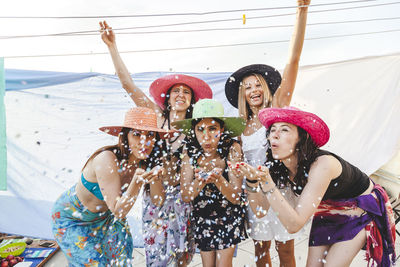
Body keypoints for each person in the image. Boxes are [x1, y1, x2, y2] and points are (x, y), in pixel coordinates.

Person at [100, 20, 213, 266]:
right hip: (156, 200)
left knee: (182, 257)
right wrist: (112, 47)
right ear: (168, 98)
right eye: (176, 91)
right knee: (159, 259)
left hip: (185, 200)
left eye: (186, 92)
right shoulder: (155, 118)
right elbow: (128, 85)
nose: (181, 95)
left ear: (191, 99)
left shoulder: (196, 128)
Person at [236, 106, 397, 267]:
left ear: (301, 138)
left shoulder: (322, 165)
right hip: (329, 207)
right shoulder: (277, 167)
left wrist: (266, 182)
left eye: (284, 130)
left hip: (360, 209)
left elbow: (294, 224)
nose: (275, 135)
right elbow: (259, 210)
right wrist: (252, 182)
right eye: (272, 130)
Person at [224, 1, 311, 266]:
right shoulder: (239, 126)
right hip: (255, 193)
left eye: (257, 84)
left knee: (285, 252)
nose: (253, 90)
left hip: (282, 188)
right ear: (243, 94)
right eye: (247, 87)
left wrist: (301, 12)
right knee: (261, 252)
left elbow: (293, 61)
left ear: (265, 87)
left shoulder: (277, 110)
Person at [51, 107, 174, 266]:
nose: (144, 141)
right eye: (136, 134)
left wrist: (156, 178)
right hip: (73, 219)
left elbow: (158, 201)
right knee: (93, 263)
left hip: (106, 218)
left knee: (122, 261)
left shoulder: (147, 162)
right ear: (126, 136)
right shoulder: (106, 159)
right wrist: (136, 183)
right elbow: (119, 211)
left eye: (150, 134)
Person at [172, 99, 247, 267]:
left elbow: (235, 197)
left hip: (229, 215)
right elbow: (185, 195)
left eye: (212, 128)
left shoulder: (232, 148)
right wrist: (201, 181)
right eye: (200, 129)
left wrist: (219, 180)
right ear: (194, 131)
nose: (206, 136)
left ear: (222, 129)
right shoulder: (189, 150)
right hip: (202, 216)